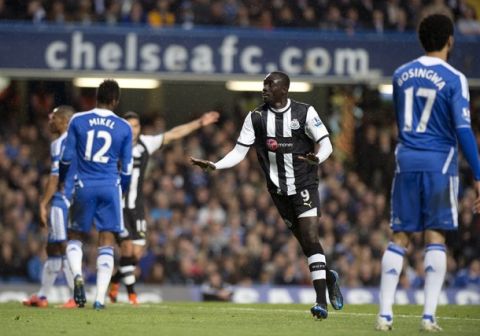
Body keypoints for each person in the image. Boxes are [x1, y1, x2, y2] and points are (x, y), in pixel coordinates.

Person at [191, 71, 343, 320]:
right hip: (278, 191)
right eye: (264, 85)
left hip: (304, 184)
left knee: (311, 236)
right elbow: (239, 152)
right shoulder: (256, 117)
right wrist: (216, 165)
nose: (265, 89)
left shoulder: (305, 112)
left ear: (284, 89)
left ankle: (320, 303)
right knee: (306, 245)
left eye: (270, 85)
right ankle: (328, 275)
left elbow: (326, 143)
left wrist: (319, 158)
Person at [376, 13, 480, 332]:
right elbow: (463, 130)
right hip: (440, 163)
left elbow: (400, 120)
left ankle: (384, 315)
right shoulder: (454, 78)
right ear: (450, 40)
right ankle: (428, 317)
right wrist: (478, 175)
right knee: (436, 235)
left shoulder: (400, 74)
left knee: (400, 236)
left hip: (406, 160)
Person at [108, 110, 219, 305]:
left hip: (137, 206)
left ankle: (115, 280)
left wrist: (199, 123)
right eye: (129, 126)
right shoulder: (113, 145)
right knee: (126, 248)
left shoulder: (145, 144)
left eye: (136, 126)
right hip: (118, 206)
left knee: (137, 253)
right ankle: (132, 295)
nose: (133, 130)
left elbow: (174, 134)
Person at [60, 79, 133, 310]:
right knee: (107, 241)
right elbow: (128, 169)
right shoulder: (124, 127)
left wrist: (63, 181)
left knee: (75, 236)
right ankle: (100, 299)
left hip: (84, 185)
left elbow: (66, 157)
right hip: (110, 186)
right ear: (115, 100)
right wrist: (120, 189)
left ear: (96, 97)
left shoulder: (78, 120)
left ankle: (78, 276)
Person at [23, 106, 76, 309]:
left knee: (63, 246)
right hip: (74, 198)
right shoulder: (78, 141)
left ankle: (75, 296)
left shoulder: (60, 143)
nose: (50, 121)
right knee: (53, 247)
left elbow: (54, 178)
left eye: (53, 118)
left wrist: (42, 204)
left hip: (62, 200)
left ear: (64, 120)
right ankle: (43, 295)